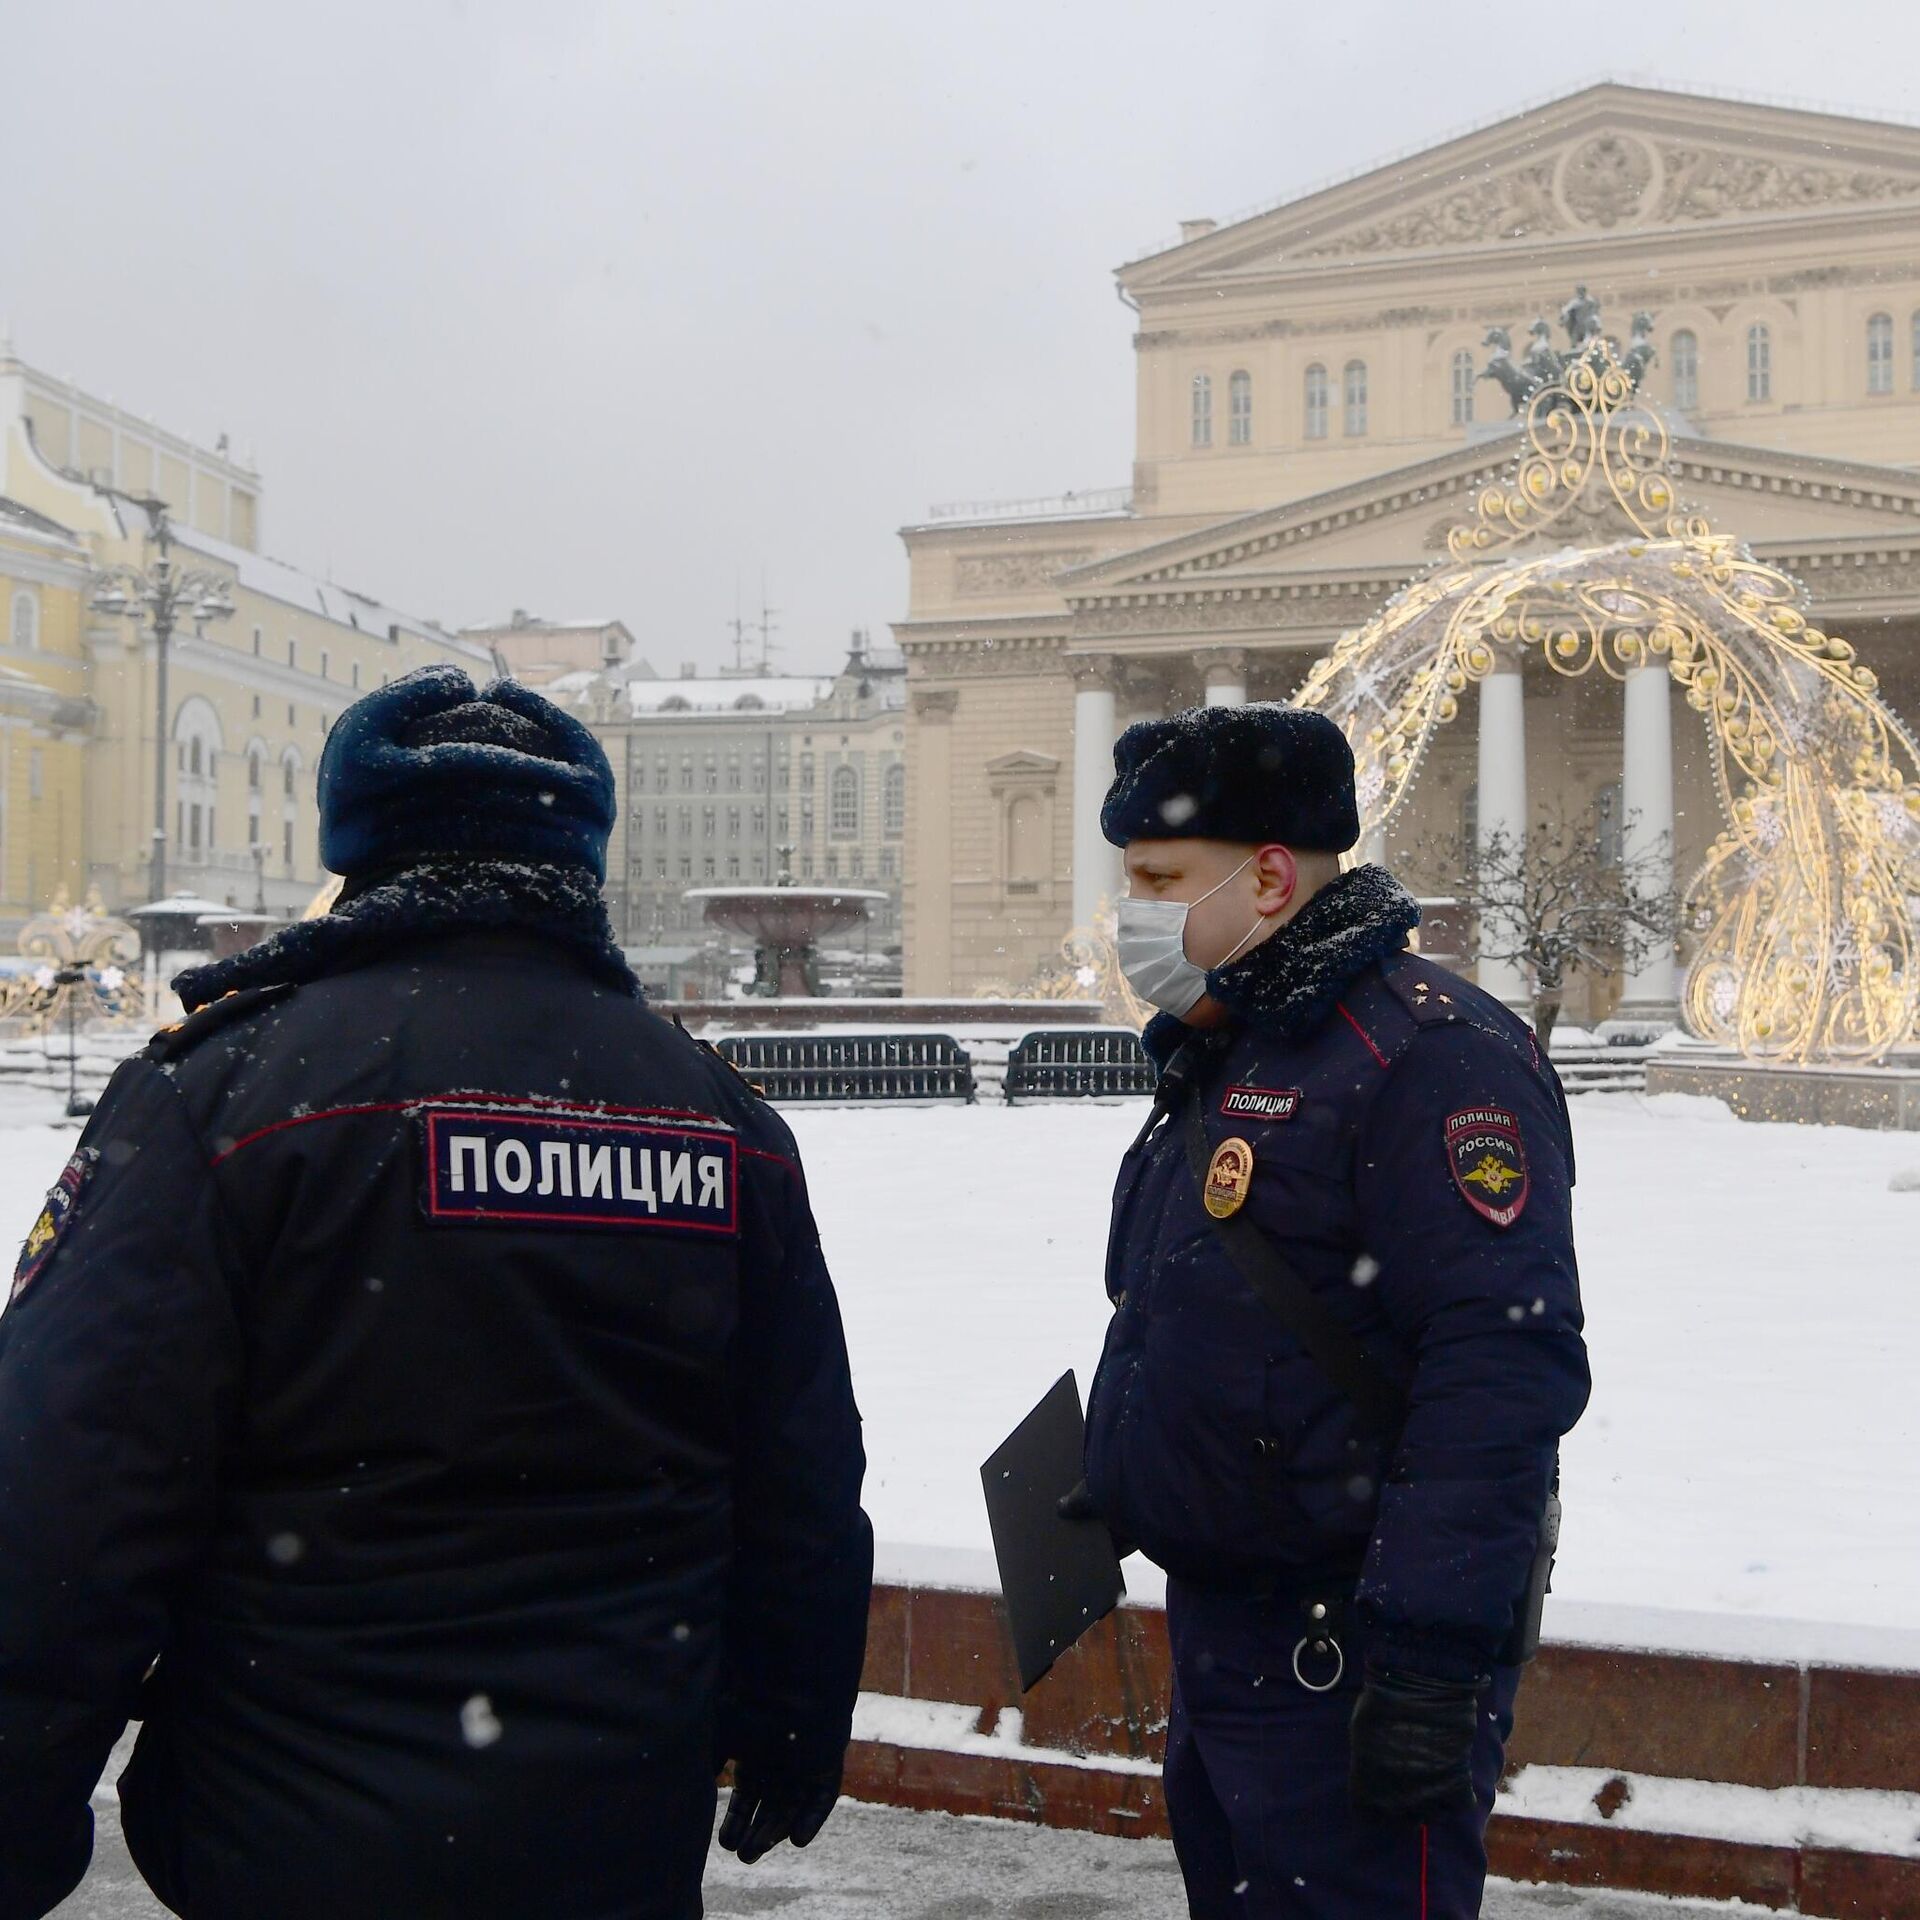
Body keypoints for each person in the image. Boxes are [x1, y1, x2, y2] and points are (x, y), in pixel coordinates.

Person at [0, 666, 873, 1920]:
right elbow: (801, 1465)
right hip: (614, 1816)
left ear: (358, 845)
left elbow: (64, 1486)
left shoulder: (231, 1097)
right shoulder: (717, 1115)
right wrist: (793, 1713)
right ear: (580, 852)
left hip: (293, 1819)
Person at [1072, 703, 1590, 1919]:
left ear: (1265, 877)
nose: (1130, 914)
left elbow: (1498, 1364)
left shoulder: (1427, 1058)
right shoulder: (1236, 1048)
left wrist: (1423, 1665)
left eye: (1155, 879)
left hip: (1348, 1655)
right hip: (1228, 1631)